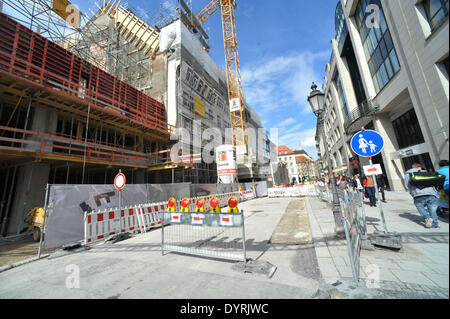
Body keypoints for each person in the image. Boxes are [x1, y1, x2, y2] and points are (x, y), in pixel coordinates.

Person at [404, 163, 440, 229]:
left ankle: (427, 218)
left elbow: (407, 185)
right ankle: (435, 224)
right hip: (431, 193)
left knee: (420, 206)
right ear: (419, 167)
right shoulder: (427, 173)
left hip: (417, 194)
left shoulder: (408, 174)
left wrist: (412, 192)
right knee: (432, 209)